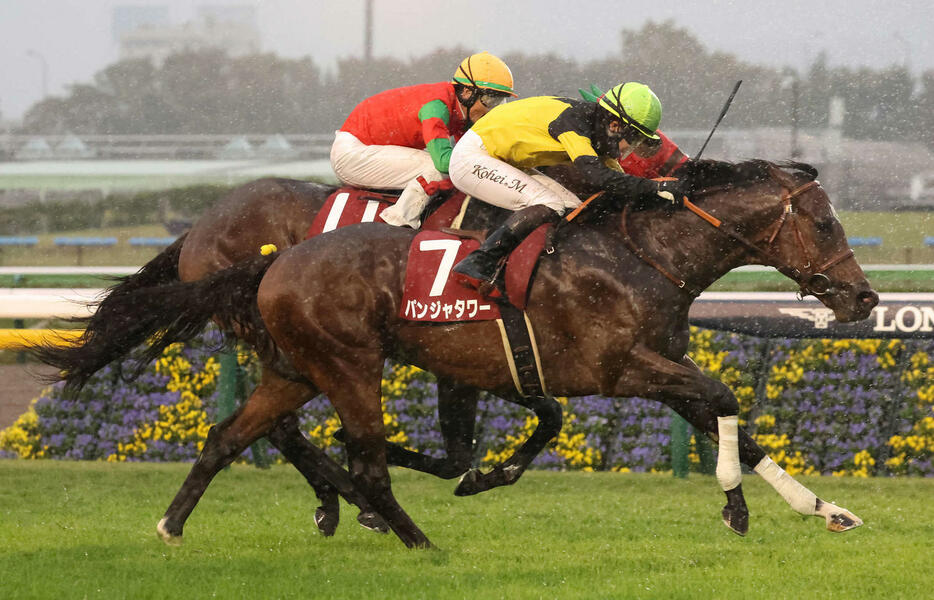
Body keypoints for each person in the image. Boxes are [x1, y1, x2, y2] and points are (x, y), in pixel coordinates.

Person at [449, 81, 687, 295]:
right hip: (473, 158)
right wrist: (654, 188)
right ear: (615, 125)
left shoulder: (597, 131)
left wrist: (659, 197)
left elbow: (617, 185)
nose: (632, 148)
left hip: (500, 158)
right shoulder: (575, 124)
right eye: (633, 138)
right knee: (549, 203)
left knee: (574, 208)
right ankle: (478, 263)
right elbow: (599, 177)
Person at [329, 52, 517, 229]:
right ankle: (399, 223)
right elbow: (445, 163)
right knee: (439, 167)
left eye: (500, 102)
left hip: (369, 149)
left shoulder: (461, 111)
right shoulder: (436, 106)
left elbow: (475, 151)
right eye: (490, 101)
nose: (492, 110)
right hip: (352, 154)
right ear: (468, 93)